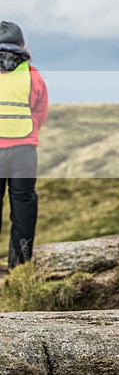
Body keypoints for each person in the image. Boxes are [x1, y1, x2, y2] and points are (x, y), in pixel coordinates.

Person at [0, 21, 48, 268]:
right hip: (24, 152)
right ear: (22, 46)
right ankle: (19, 268)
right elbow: (40, 112)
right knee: (23, 208)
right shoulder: (33, 75)